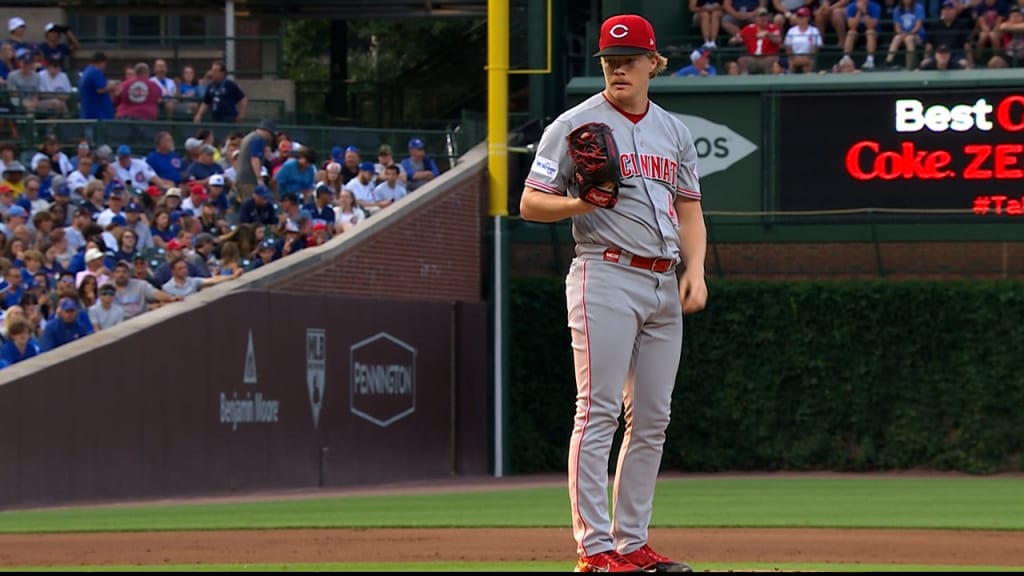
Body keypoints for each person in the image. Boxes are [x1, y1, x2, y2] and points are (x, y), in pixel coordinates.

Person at [518, 13, 707, 574]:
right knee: (597, 412)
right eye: (609, 60)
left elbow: (690, 209)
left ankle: (632, 542)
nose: (618, 68)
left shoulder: (673, 130)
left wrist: (695, 269)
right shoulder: (574, 125)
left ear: (654, 63)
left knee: (651, 419)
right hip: (604, 273)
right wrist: (580, 203)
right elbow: (531, 203)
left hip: (661, 280)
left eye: (629, 59)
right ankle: (594, 550)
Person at [235, 119, 275, 202]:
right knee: (251, 204)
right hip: (249, 180)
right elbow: (255, 158)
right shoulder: (258, 139)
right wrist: (259, 178)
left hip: (240, 178)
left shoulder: (248, 137)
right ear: (267, 131)